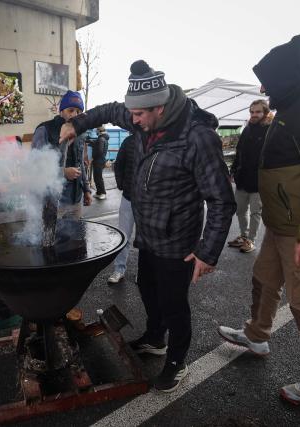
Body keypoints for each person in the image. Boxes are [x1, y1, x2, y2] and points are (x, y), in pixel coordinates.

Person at [60, 60, 236, 392]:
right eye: (132, 115)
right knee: (146, 287)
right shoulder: (142, 117)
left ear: (160, 108)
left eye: (139, 116)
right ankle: (157, 338)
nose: (133, 122)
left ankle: (177, 361)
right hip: (149, 233)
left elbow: (221, 201)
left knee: (173, 302)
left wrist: (207, 252)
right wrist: (78, 124)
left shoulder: (198, 138)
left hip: (178, 240)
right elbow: (111, 109)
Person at [217, 35, 300, 405]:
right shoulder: (296, 102)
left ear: (287, 77)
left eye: (268, 81)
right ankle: (257, 336)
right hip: (282, 224)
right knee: (264, 279)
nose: (262, 88)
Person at [32, 90, 92, 219]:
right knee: (51, 237)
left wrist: (86, 190)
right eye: (71, 110)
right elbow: (35, 166)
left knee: (75, 236)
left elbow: (80, 162)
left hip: (76, 200)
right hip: (52, 200)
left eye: (79, 111)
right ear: (61, 110)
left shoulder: (80, 133)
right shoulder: (45, 129)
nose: (75, 115)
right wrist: (63, 172)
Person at [227, 99, 270, 253]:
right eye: (252, 112)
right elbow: (239, 152)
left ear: (265, 112)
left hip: (259, 181)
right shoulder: (247, 129)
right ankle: (244, 236)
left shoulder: (270, 130)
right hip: (242, 178)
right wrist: (232, 171)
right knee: (240, 210)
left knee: (255, 212)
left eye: (258, 112)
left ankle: (251, 240)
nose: (254, 115)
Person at [107, 134, 136, 284]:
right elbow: (119, 164)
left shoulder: (157, 141)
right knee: (124, 236)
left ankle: (144, 272)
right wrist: (121, 184)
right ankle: (119, 269)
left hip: (149, 202)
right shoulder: (129, 141)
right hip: (128, 198)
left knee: (147, 240)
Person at [91, 126, 109, 199]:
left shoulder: (101, 139)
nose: (96, 132)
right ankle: (98, 192)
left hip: (99, 160)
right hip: (100, 160)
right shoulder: (102, 138)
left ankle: (103, 193)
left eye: (96, 130)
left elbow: (100, 151)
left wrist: (94, 157)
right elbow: (97, 144)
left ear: (99, 131)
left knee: (98, 178)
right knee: (96, 177)